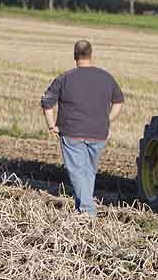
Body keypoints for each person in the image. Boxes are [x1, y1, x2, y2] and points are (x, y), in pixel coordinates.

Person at [40, 40, 124, 217]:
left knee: (78, 173)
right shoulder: (106, 77)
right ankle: (82, 210)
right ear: (91, 55)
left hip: (72, 134)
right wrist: (106, 120)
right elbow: (118, 103)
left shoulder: (65, 78)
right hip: (99, 134)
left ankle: (87, 212)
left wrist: (51, 125)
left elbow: (47, 103)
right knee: (88, 173)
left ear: (74, 56)